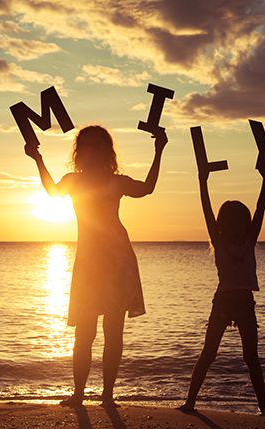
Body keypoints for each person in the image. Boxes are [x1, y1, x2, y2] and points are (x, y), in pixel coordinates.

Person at [25, 125, 167, 407]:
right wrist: (37, 159)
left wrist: (159, 149)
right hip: (89, 261)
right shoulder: (73, 181)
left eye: (99, 144)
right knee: (84, 332)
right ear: (80, 151)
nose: (93, 150)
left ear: (107, 150)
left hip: (117, 259)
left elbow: (147, 189)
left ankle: (107, 396)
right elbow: (53, 192)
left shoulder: (116, 181)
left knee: (113, 332)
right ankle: (78, 394)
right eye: (88, 144)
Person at [178, 164, 265, 416]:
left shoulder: (250, 240)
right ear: (222, 224)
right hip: (222, 302)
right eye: (230, 220)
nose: (236, 225)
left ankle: (263, 406)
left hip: (245, 303)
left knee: (251, 357)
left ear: (246, 223)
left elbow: (261, 207)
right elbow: (205, 208)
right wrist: (202, 180)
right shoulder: (218, 241)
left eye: (240, 220)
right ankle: (190, 402)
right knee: (209, 353)